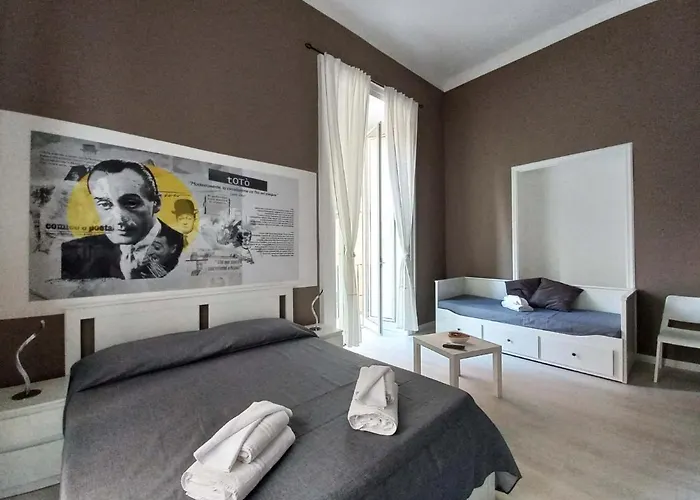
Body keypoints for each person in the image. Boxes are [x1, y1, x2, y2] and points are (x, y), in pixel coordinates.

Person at [61, 159, 184, 280]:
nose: (119, 218)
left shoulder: (184, 245)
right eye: (105, 204)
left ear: (156, 203)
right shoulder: (73, 253)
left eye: (131, 203)